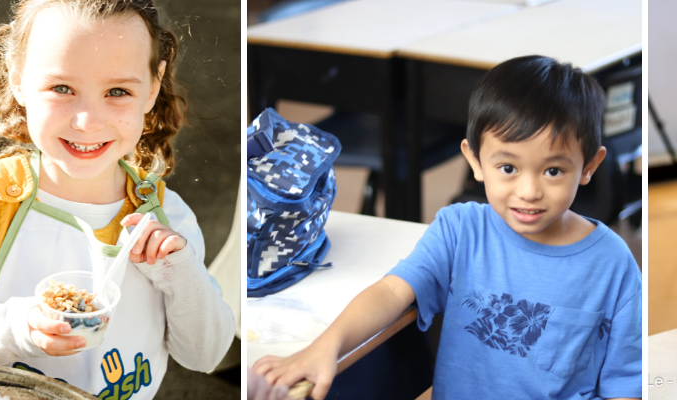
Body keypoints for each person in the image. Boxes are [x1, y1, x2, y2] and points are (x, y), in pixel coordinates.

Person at [251, 55, 642, 400]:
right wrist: (326, 347)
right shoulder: (461, 230)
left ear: (589, 165)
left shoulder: (612, 265)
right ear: (474, 161)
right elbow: (391, 291)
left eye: (553, 170)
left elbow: (624, 385)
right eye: (508, 168)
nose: (529, 191)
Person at [0, 1, 234, 398]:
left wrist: (182, 275)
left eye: (118, 91)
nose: (87, 121)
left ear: (152, 87)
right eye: (62, 88)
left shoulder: (166, 219)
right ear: (16, 76)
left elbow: (205, 355)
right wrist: (22, 326)